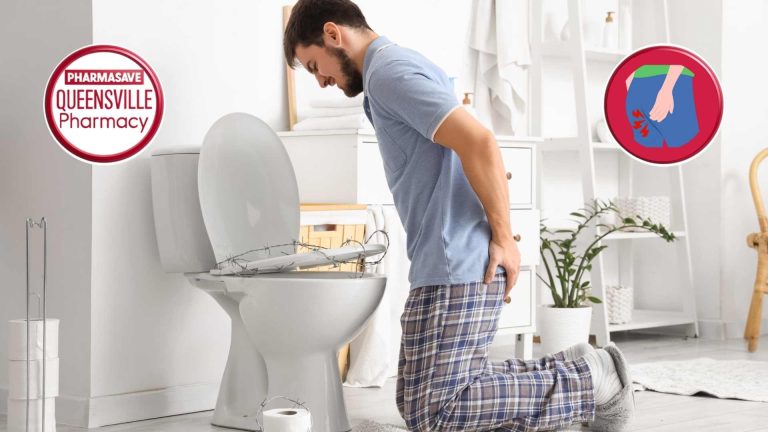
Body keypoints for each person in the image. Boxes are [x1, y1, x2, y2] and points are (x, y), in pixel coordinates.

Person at [283, 1, 635, 430]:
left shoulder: (389, 72)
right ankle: (571, 368)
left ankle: (590, 380)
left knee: (438, 412)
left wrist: (504, 238)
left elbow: (480, 142)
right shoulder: (389, 70)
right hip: (440, 255)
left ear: (333, 34)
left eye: (315, 65)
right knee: (416, 399)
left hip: (459, 258)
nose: (321, 81)